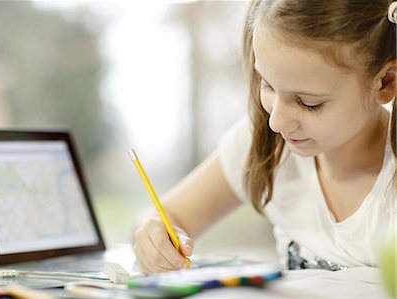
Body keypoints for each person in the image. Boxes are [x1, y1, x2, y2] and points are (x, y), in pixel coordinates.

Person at [133, 0, 397, 273]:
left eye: (308, 102)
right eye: (267, 85)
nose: (276, 122)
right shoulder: (265, 146)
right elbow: (166, 214)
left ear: (386, 82)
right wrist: (155, 236)